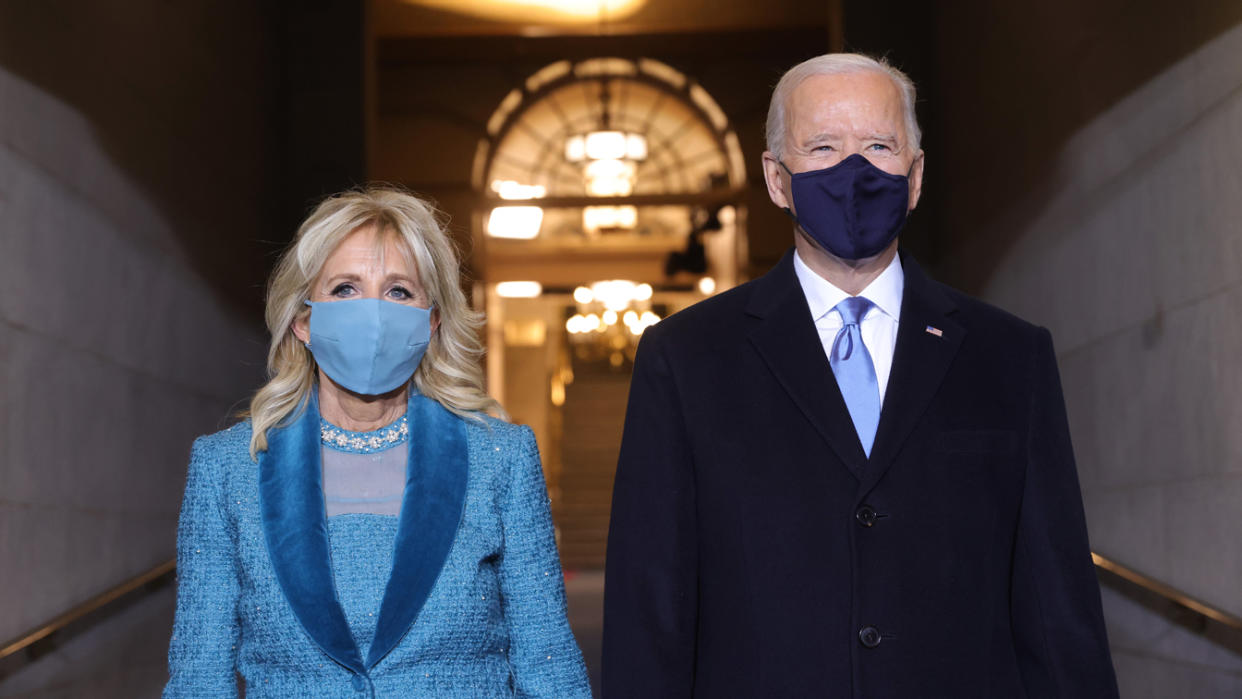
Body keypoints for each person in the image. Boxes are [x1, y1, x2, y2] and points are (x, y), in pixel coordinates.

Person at [603, 54, 1119, 698]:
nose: (854, 170)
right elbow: (650, 603)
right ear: (776, 178)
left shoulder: (1010, 356)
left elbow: (1056, 599)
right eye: (822, 146)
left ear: (916, 174)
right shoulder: (685, 358)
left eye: (879, 145)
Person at [164, 188, 591, 697]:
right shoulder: (227, 468)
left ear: (431, 321)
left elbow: (549, 667)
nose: (372, 312)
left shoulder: (501, 459)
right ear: (303, 320)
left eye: (398, 291)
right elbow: (199, 680)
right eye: (345, 288)